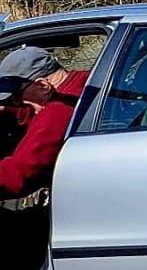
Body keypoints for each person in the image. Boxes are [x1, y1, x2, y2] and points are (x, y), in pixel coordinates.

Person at [0, 46, 89, 200]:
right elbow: (35, 111)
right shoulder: (84, 82)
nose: (16, 102)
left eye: (17, 96)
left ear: (43, 85)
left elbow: (17, 176)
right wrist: (9, 110)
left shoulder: (58, 111)